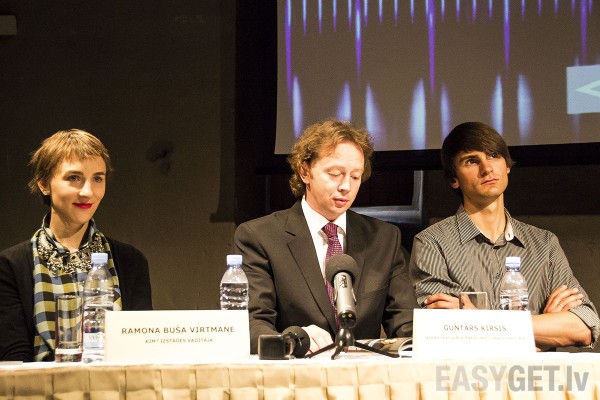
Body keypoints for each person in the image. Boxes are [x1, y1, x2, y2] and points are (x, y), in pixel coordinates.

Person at [409, 121, 599, 350]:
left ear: (507, 165)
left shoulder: (544, 244)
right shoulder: (432, 242)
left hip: (536, 374)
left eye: (493, 155)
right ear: (454, 179)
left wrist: (480, 321)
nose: (487, 168)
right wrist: (543, 328)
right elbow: (446, 334)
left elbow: (585, 327)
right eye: (471, 161)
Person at [234, 118, 417, 354]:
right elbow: (251, 324)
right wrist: (293, 340)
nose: (346, 186)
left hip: (365, 373)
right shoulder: (259, 237)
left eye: (355, 176)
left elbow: (407, 324)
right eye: (335, 174)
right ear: (305, 171)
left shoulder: (384, 238)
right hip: (295, 372)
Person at [0, 129, 153, 362]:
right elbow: (14, 359)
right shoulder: (11, 266)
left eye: (97, 179)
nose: (87, 192)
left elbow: (141, 348)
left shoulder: (130, 261)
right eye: (74, 178)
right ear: (43, 183)